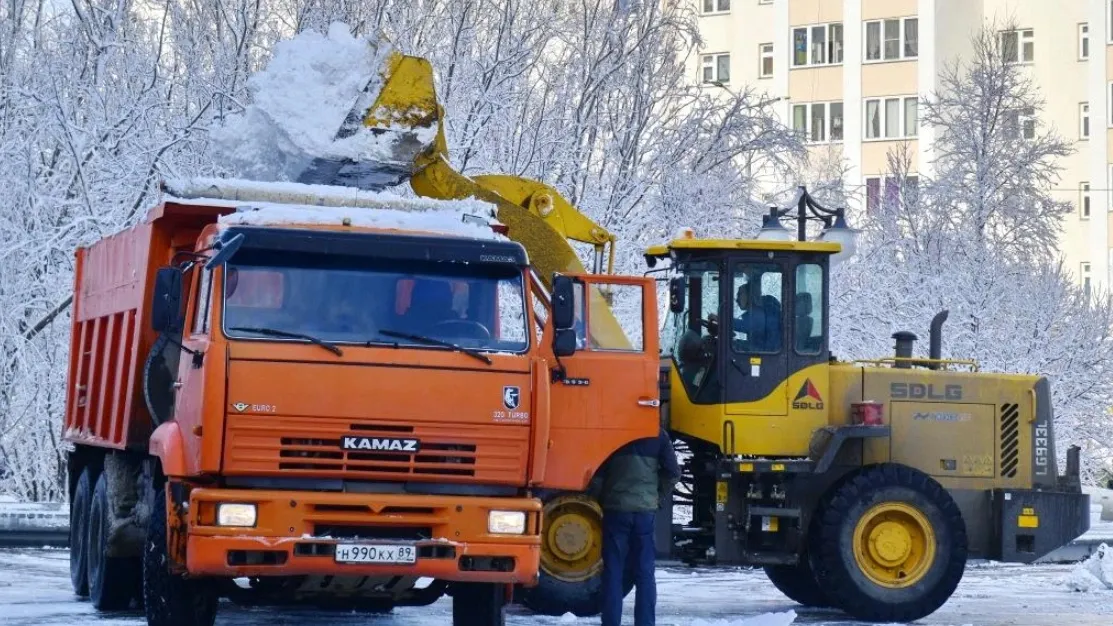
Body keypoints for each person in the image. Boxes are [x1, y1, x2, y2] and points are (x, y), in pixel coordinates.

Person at [588, 427, 681, 626]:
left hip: (616, 511)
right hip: (644, 513)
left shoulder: (613, 432)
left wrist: (601, 499)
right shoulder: (658, 435)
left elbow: (598, 476)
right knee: (645, 572)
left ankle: (611, 622)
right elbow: (673, 473)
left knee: (613, 572)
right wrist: (656, 497)